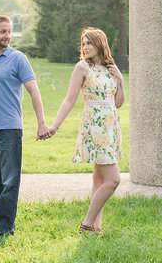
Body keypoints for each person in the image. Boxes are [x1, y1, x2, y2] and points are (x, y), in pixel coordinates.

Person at [0, 14, 50, 239]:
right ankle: (2, 227)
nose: (7, 36)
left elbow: (34, 91)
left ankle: (3, 229)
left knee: (9, 182)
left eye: (9, 32)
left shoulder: (18, 59)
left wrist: (41, 122)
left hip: (10, 129)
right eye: (3, 31)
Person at [45, 27, 125, 234]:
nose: (86, 47)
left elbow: (118, 103)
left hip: (110, 126)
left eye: (89, 43)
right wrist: (54, 126)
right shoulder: (82, 67)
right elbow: (70, 99)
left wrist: (121, 81)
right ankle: (87, 224)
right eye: (83, 43)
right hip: (95, 126)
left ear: (100, 44)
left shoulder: (110, 68)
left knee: (99, 179)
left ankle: (95, 227)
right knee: (113, 179)